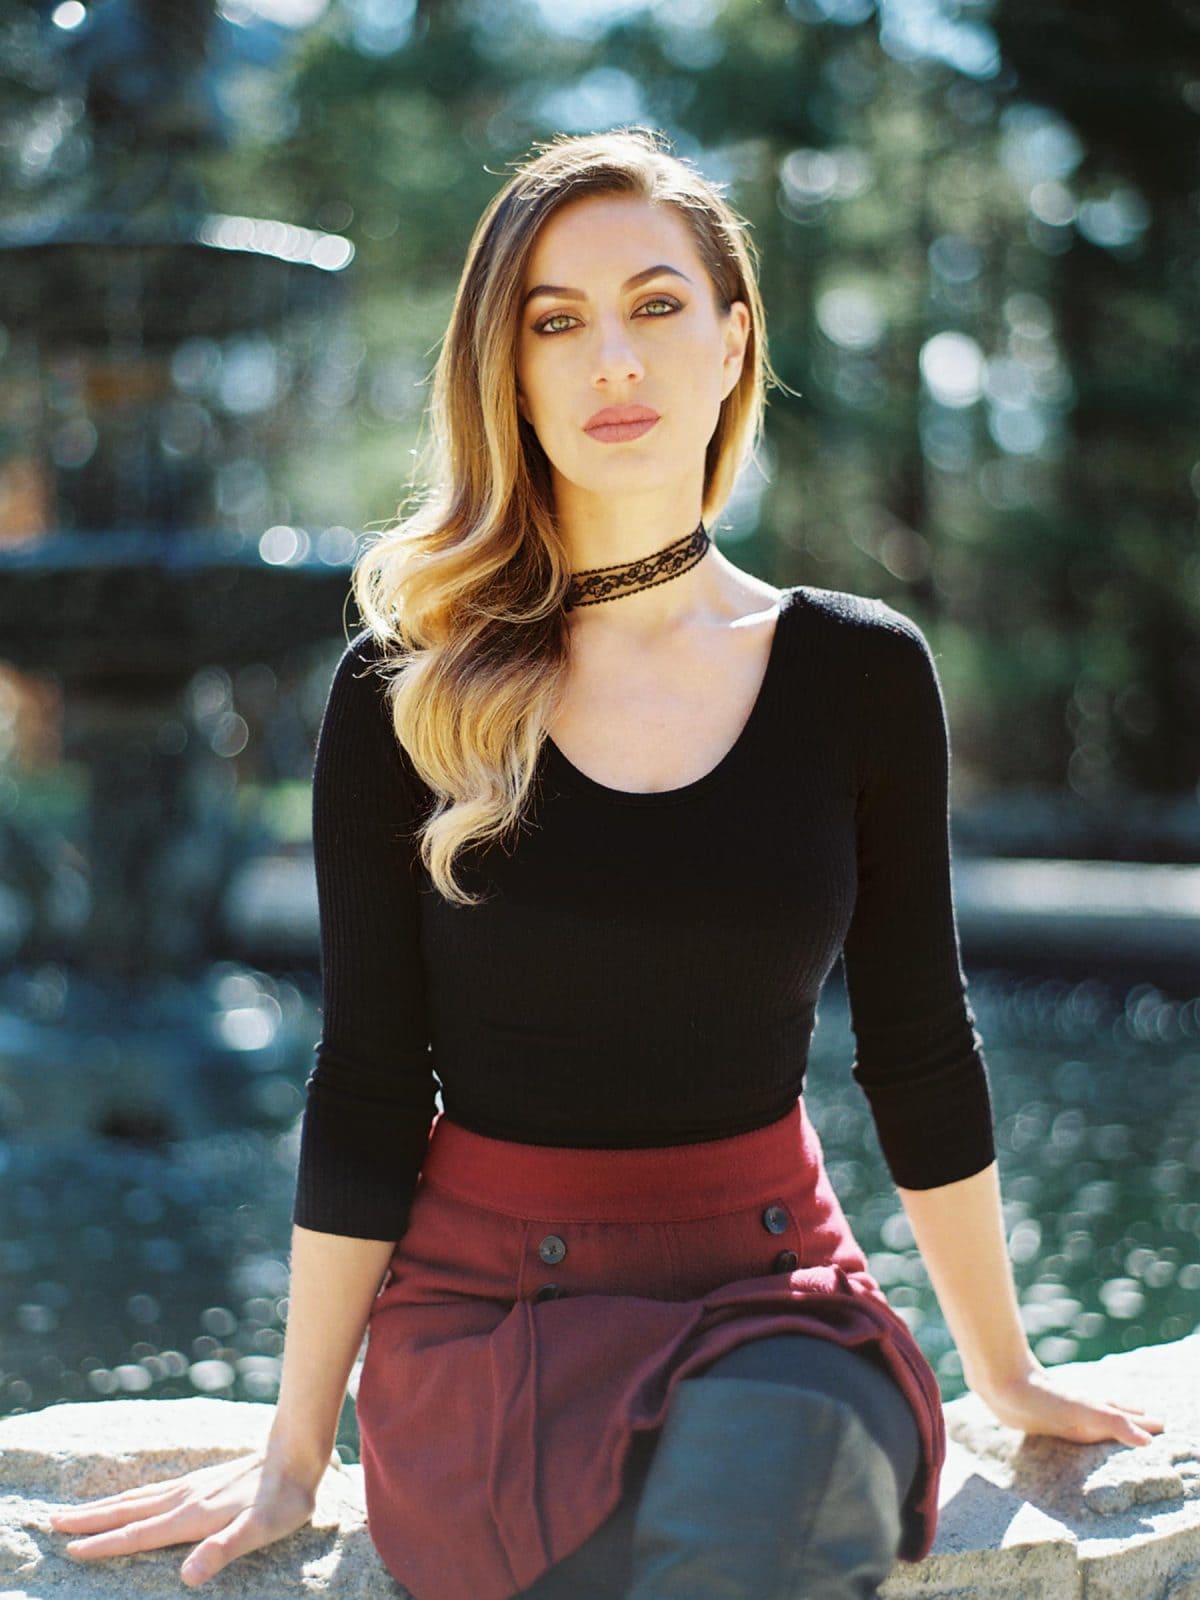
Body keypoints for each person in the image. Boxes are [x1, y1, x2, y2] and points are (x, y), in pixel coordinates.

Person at [48, 125, 1164, 1600]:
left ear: (731, 340)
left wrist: (1005, 1372)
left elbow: (917, 1040)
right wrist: (296, 1441)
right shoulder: (409, 689)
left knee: (766, 1496)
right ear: (506, 374)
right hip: (491, 1316)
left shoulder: (858, 673)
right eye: (555, 323)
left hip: (772, 1295)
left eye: (654, 305)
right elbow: (371, 1083)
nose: (611, 362)